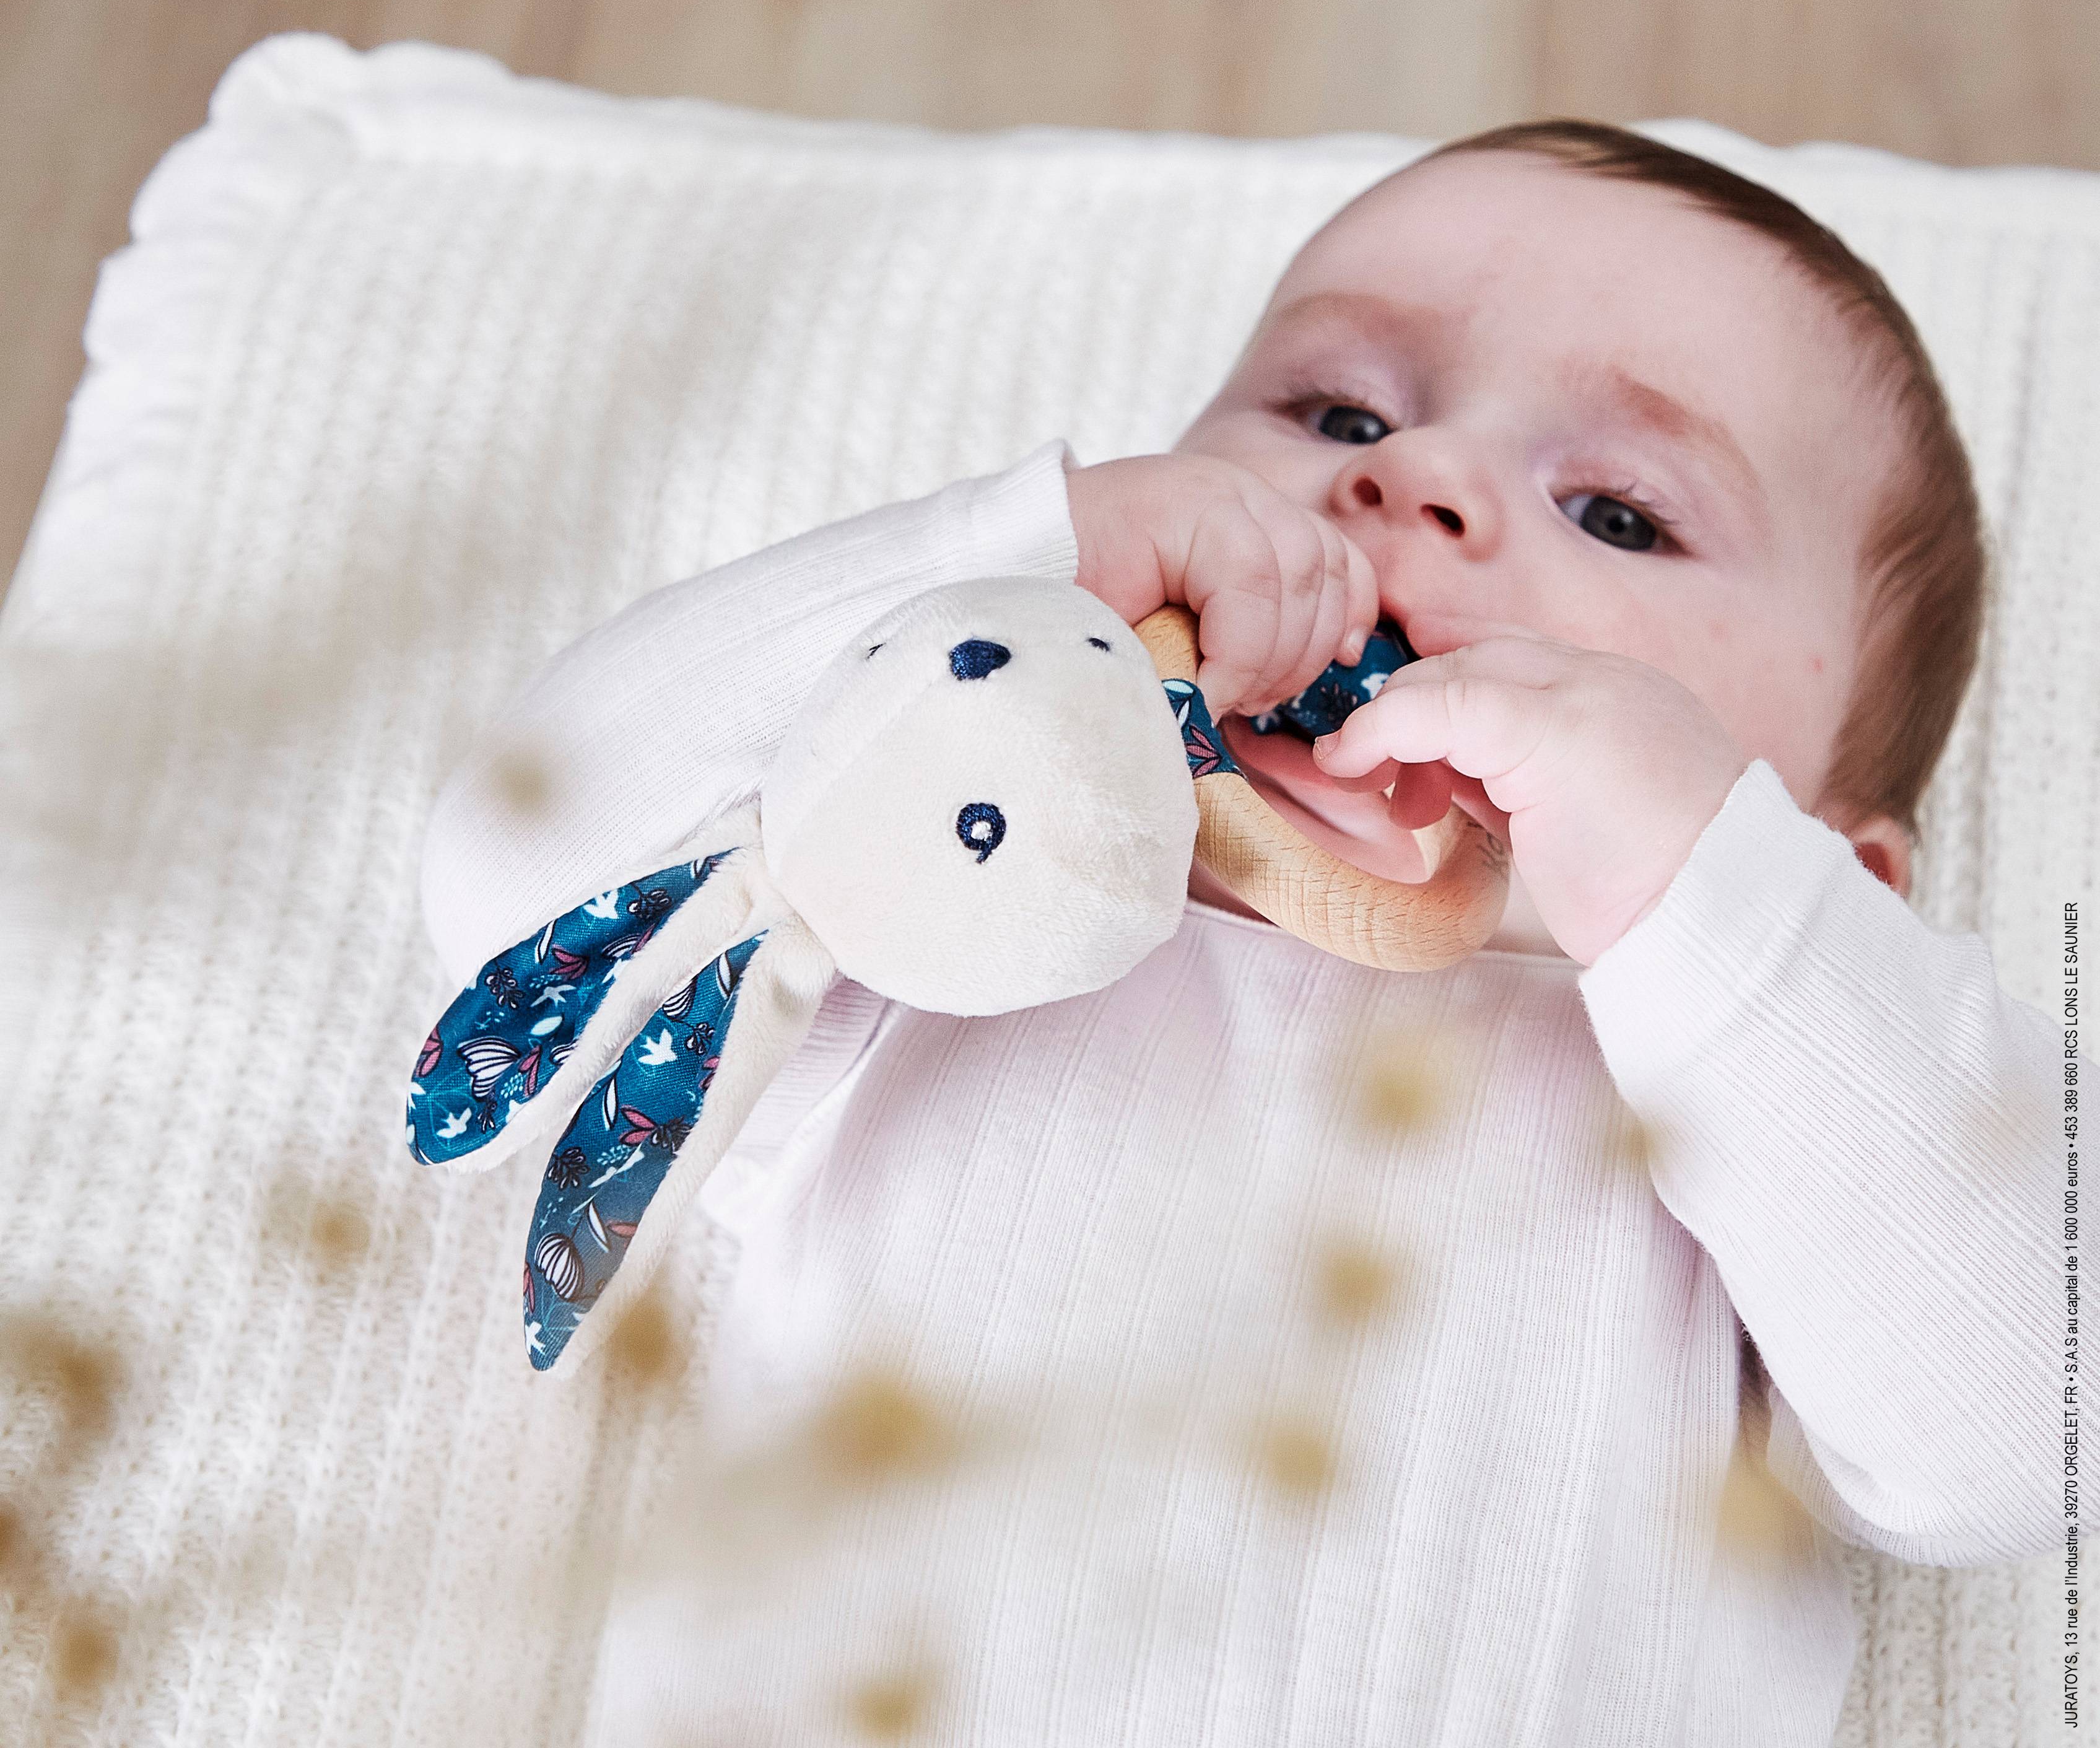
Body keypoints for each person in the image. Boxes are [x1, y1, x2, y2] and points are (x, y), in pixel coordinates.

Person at [419, 121, 2055, 1747]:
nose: (1415, 477)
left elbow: (2019, 1423)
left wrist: (1733, 919)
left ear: (1837, 875)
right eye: (1337, 411)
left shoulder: (1759, 1137)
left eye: (1620, 514)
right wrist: (1018, 568)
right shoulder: (956, 921)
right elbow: (535, 897)